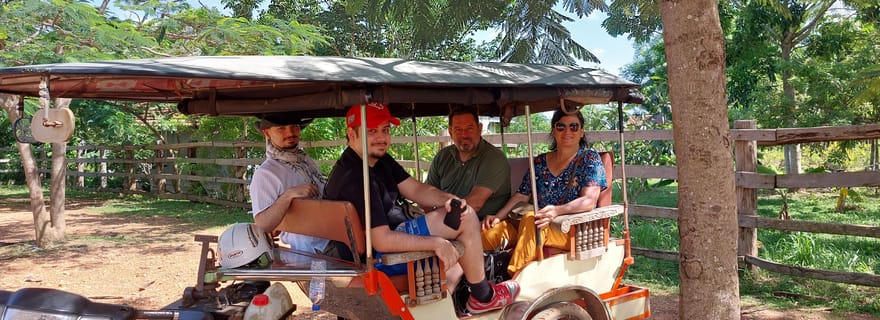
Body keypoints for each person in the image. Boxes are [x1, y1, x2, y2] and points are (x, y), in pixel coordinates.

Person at [324, 102, 520, 314]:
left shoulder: (376, 159)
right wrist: (436, 243)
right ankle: (484, 296)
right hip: (380, 258)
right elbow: (381, 239)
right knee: (468, 217)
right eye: (372, 131)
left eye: (385, 130)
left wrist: (448, 198)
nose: (381, 138)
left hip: (385, 241)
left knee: (460, 225)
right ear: (352, 134)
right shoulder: (356, 178)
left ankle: (449, 307)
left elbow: (416, 189)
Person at [481, 109, 607, 276]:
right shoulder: (540, 161)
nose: (567, 131)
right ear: (554, 130)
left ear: (582, 132)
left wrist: (556, 210)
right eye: (561, 127)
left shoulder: (589, 159)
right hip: (532, 225)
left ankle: (514, 279)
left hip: (569, 229)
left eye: (574, 127)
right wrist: (498, 217)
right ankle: (472, 284)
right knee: (490, 232)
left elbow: (589, 201)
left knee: (532, 219)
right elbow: (521, 195)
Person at [249, 113, 347, 259]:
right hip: (315, 251)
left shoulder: (306, 162)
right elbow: (263, 225)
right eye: (281, 128)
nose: (290, 133)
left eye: (294, 127)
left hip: (335, 237)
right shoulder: (266, 173)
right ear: (267, 133)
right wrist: (288, 196)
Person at [426, 107, 511, 221]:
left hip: (483, 224)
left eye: (469, 129)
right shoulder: (443, 156)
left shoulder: (493, 157)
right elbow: (427, 195)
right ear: (450, 132)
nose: (464, 135)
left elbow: (475, 203)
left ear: (479, 129)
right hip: (446, 220)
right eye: (458, 130)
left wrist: (439, 223)